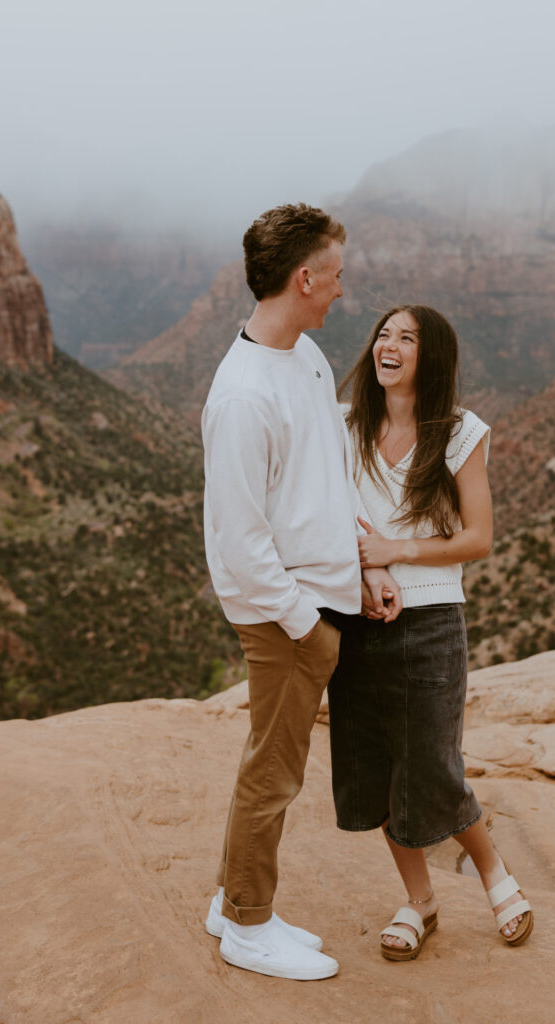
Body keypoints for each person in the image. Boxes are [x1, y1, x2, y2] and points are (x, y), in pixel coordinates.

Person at [201, 203, 402, 981]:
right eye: (337, 276)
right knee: (274, 773)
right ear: (303, 277)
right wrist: (307, 628)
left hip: (323, 597)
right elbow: (240, 544)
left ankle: (232, 902)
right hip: (285, 618)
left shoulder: (307, 360)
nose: (342, 293)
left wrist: (363, 562)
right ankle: (248, 928)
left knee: (267, 761)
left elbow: (325, 480)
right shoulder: (243, 396)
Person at [328, 305, 533, 962]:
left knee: (432, 766)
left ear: (429, 357)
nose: (389, 346)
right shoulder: (344, 424)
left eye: (406, 339)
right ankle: (419, 902)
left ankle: (494, 874)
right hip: (356, 621)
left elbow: (479, 537)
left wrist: (397, 550)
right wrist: (362, 573)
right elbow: (325, 515)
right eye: (383, 334)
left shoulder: (459, 432)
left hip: (431, 620)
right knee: (376, 769)